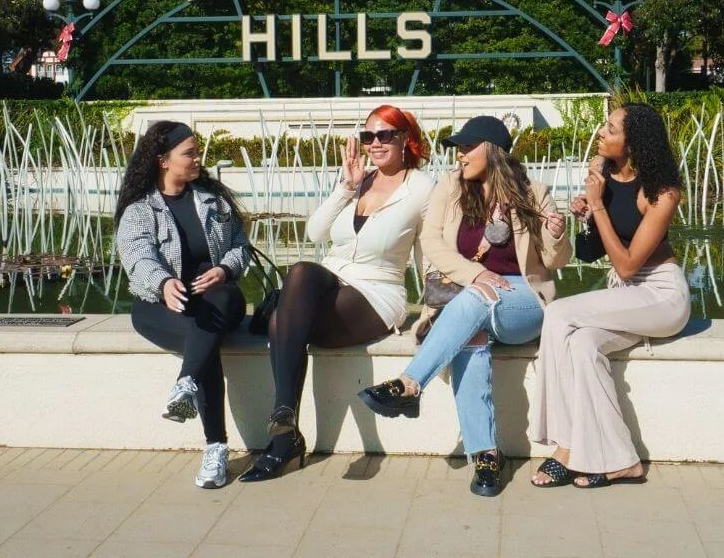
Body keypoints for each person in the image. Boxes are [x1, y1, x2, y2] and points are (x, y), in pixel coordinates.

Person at [358, 115, 571, 497]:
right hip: (471, 298)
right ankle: (486, 455)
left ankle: (409, 384)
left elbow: (555, 261)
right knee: (471, 336)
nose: (460, 155)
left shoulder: (533, 191)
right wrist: (475, 274)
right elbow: (434, 243)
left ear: (493, 149)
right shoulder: (451, 187)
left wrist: (557, 235)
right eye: (458, 148)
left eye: (467, 147)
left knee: (474, 301)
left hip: (523, 301)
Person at [239, 105, 435, 482]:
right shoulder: (359, 181)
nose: (374, 144)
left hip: (376, 293)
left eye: (384, 135)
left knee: (282, 317)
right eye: (367, 136)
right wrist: (345, 187)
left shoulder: (422, 188)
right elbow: (316, 233)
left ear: (406, 139)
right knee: (301, 271)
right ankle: (285, 420)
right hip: (331, 279)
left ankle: (283, 441)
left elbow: (427, 254)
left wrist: (432, 308)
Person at [529, 102, 691, 489]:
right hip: (628, 298)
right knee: (583, 345)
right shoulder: (604, 175)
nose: (601, 132)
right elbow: (590, 254)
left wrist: (599, 206)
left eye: (610, 129)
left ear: (632, 143)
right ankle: (623, 461)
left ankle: (566, 445)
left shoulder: (663, 193)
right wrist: (585, 218)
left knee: (558, 314)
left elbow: (628, 266)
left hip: (662, 296)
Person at [115, 121, 250, 490]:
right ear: (163, 160)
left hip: (218, 300)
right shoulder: (140, 210)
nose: (198, 158)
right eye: (189, 152)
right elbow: (137, 256)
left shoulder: (212, 199)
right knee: (201, 339)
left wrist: (225, 269)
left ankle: (188, 390)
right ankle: (216, 446)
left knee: (212, 313)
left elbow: (241, 245)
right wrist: (162, 282)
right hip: (161, 304)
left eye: (197, 151)